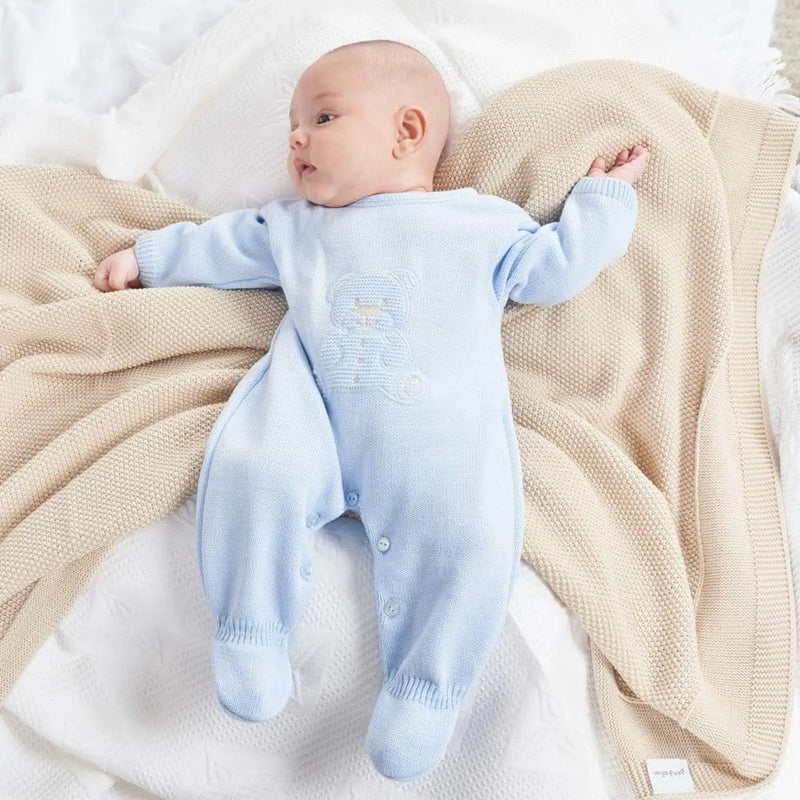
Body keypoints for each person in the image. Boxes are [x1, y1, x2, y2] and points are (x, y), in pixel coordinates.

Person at [94, 38, 649, 782]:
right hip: (312, 410)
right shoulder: (295, 227)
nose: (296, 137)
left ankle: (425, 689)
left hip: (435, 438)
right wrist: (149, 259)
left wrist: (602, 203)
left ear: (407, 131)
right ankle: (252, 631)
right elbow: (221, 246)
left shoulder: (478, 225)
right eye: (294, 122)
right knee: (254, 471)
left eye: (321, 117)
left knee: (472, 533)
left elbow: (554, 268)